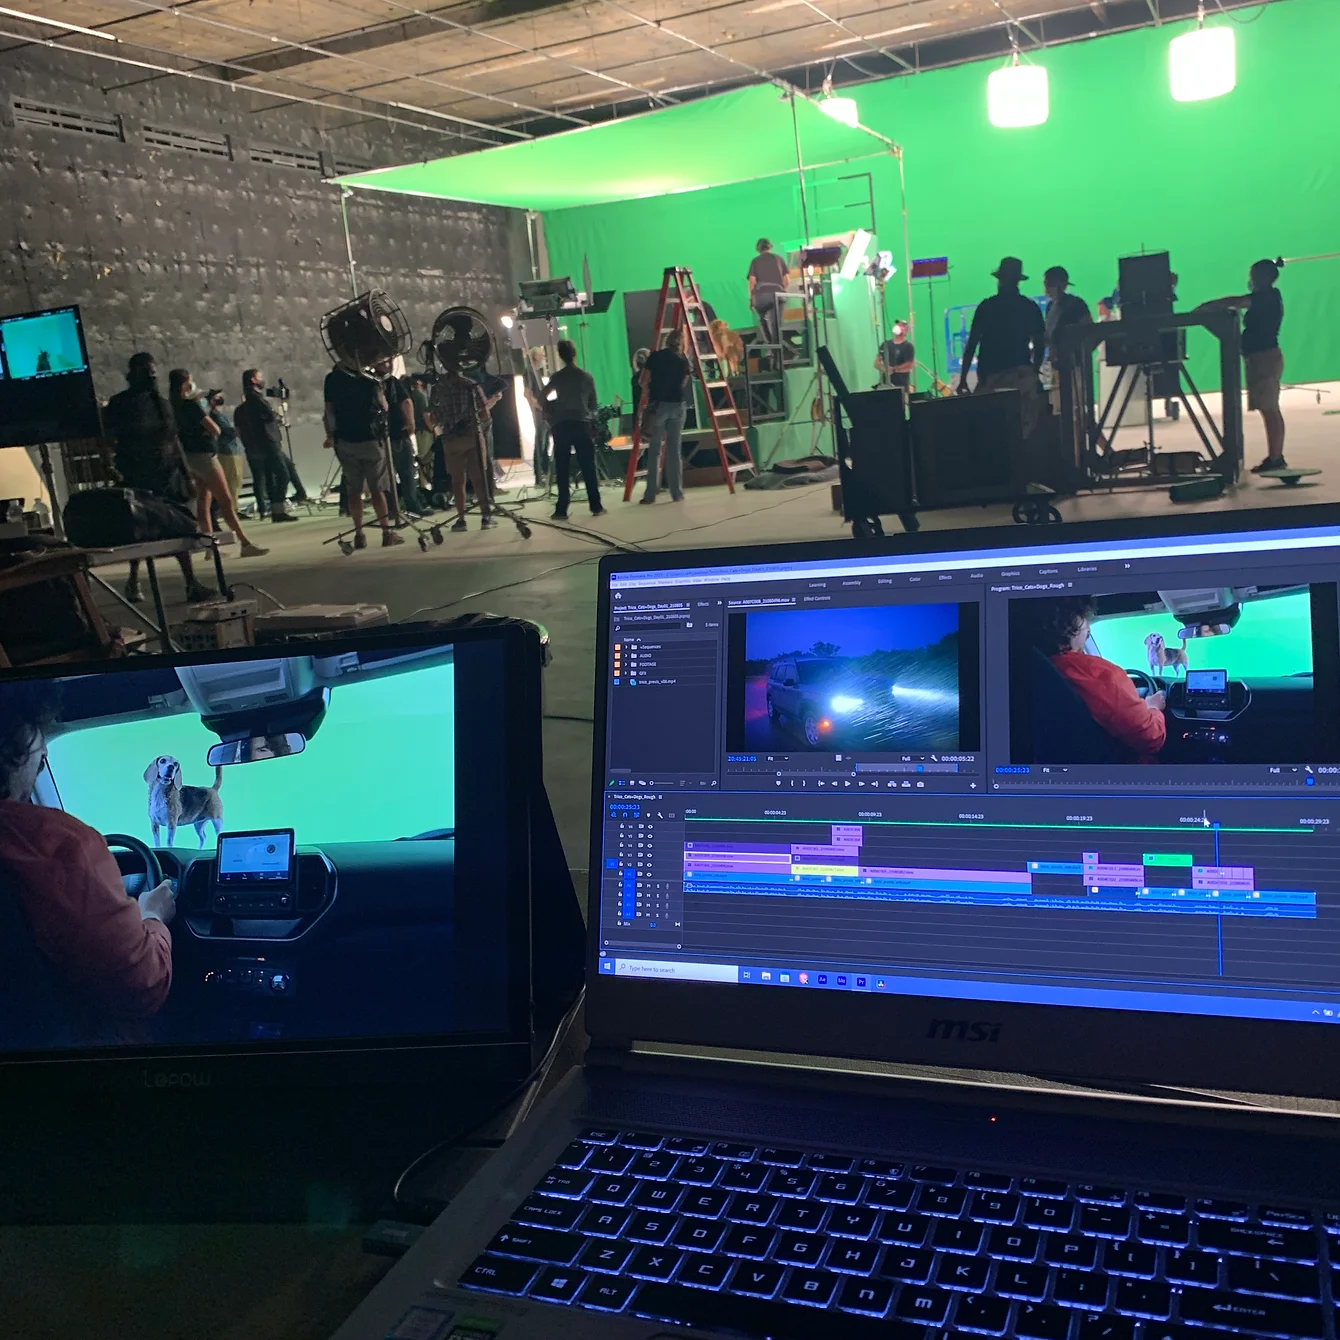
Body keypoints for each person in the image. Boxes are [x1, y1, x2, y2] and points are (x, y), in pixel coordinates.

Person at [0, 683, 176, 1044]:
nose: (44, 754)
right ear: (11, 747)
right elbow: (143, 987)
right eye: (37, 738)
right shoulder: (61, 847)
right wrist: (153, 916)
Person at [102, 353, 215, 604]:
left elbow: (174, 440)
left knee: (178, 526)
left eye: (153, 372)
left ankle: (191, 582)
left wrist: (186, 474)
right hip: (137, 473)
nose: (152, 376)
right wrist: (110, 465)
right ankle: (134, 580)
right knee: (139, 529)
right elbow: (107, 437)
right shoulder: (121, 404)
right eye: (147, 372)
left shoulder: (161, 403)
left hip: (167, 474)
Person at [1031, 595, 1166, 762]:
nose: (1088, 629)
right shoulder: (1102, 675)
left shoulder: (1024, 667)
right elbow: (1150, 739)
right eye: (1086, 621)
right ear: (1074, 622)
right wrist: (1153, 707)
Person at [1200, 258, 1287, 473]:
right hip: (1259, 358)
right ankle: (1274, 456)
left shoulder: (1266, 297)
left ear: (1264, 278)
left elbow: (1237, 301)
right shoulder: (1267, 297)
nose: (1251, 280)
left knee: (1270, 409)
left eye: (1254, 276)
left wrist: (1208, 306)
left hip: (1264, 358)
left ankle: (1276, 458)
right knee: (1268, 409)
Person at [168, 370, 267, 558]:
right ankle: (245, 542)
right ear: (186, 384)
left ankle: (210, 547)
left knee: (203, 502)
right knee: (225, 500)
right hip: (205, 456)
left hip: (188, 457)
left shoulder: (171, 406)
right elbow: (215, 429)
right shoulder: (191, 406)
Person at [956, 257, 1046, 437]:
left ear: (1000, 280)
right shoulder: (1029, 306)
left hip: (991, 376)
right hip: (1022, 375)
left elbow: (972, 344)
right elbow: (1040, 343)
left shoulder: (987, 306)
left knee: (990, 430)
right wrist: (1034, 371)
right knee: (1026, 428)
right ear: (1018, 281)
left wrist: (963, 378)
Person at [323, 361, 405, 549]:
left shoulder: (332, 379)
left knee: (354, 490)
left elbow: (329, 411)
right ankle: (386, 532)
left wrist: (331, 435)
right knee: (377, 489)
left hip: (345, 440)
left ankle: (359, 534)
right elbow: (384, 406)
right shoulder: (369, 379)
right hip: (370, 440)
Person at [427, 351, 496, 532]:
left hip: (450, 440)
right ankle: (486, 516)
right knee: (479, 478)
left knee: (457, 481)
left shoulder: (438, 388)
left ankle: (461, 519)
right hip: (472, 437)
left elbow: (433, 417)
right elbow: (484, 413)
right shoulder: (471, 385)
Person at [544, 339, 605, 521]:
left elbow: (542, 397)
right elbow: (593, 405)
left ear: (560, 355)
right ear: (575, 354)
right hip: (581, 423)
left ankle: (561, 509)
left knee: (562, 467)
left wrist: (551, 411)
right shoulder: (586, 377)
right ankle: (596, 506)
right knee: (588, 466)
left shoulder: (557, 377)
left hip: (561, 424)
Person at [234, 369, 298, 524]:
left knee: (270, 478)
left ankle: (276, 511)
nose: (262, 380)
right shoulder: (256, 400)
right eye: (259, 377)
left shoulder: (251, 401)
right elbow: (269, 416)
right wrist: (275, 414)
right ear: (253, 380)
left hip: (261, 444)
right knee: (283, 474)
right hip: (268, 443)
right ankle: (278, 508)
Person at [639, 327, 691, 504]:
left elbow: (642, 380)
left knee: (654, 450)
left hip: (658, 406)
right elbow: (683, 383)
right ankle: (677, 493)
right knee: (674, 451)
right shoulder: (683, 360)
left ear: (666, 341)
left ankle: (650, 494)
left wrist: (649, 391)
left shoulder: (655, 357)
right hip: (678, 406)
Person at [383, 360, 421, 517]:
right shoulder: (391, 382)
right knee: (406, 473)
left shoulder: (376, 382)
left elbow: (406, 402)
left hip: (385, 435)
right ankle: (410, 506)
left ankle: (392, 508)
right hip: (397, 433)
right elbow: (406, 402)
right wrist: (410, 422)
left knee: (389, 476)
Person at [205, 389, 245, 517]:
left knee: (236, 481)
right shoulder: (215, 416)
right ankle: (232, 510)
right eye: (217, 396)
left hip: (232, 450)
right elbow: (228, 431)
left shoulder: (219, 415)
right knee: (232, 481)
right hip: (227, 451)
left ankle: (234, 508)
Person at [748, 238, 790, 347]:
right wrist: (780, 289)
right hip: (778, 294)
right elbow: (787, 280)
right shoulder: (779, 259)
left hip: (761, 296)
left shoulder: (755, 261)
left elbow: (752, 281)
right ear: (770, 247)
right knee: (776, 323)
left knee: (762, 318)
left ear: (758, 249)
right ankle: (777, 346)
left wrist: (751, 299)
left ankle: (769, 344)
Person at [874, 321, 916, 389]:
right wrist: (884, 368)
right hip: (885, 385)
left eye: (901, 325)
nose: (898, 326)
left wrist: (893, 369)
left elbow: (909, 365)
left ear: (906, 331)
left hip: (901, 386)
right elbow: (876, 363)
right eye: (897, 325)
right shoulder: (885, 344)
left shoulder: (908, 346)